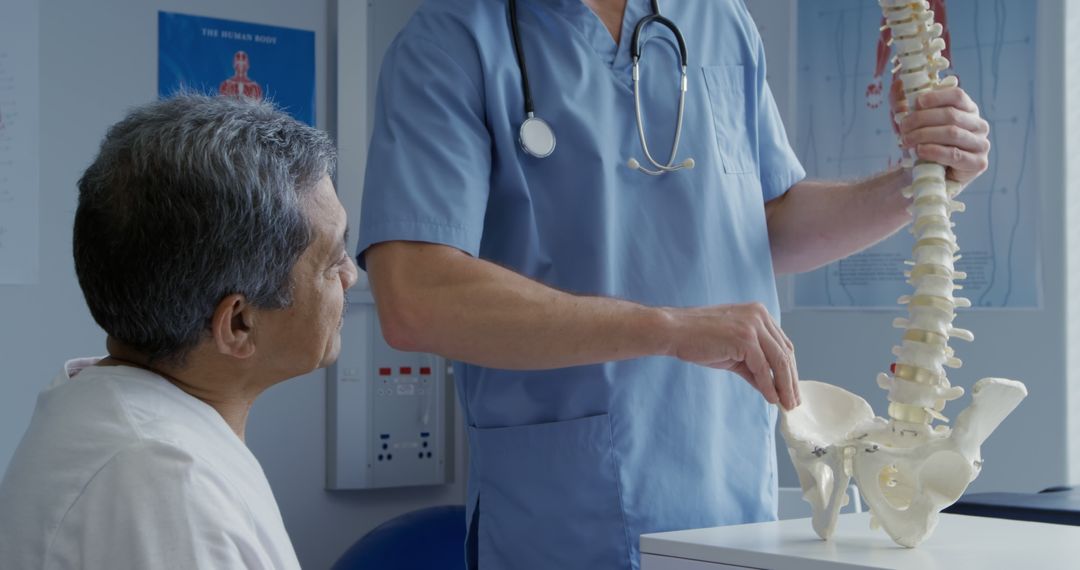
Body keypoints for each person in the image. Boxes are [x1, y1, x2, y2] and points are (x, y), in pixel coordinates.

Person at [357, 1, 990, 568]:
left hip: (732, 507)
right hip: (563, 518)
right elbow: (417, 296)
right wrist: (670, 329)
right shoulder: (454, 38)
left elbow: (766, 224)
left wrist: (921, 179)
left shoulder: (720, 21)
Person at [0, 94, 357, 569]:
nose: (351, 275)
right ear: (238, 323)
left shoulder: (114, 419)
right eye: (332, 260)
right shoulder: (167, 485)